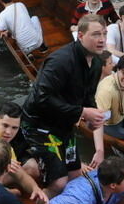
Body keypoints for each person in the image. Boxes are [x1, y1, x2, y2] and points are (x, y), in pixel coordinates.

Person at [21, 14, 108, 194]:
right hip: (38, 126)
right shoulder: (60, 61)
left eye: (104, 34)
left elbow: (87, 97)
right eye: (96, 35)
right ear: (81, 36)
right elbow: (41, 99)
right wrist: (83, 112)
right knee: (59, 182)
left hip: (64, 125)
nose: (102, 40)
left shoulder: (97, 63)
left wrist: (93, 119)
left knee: (75, 174)